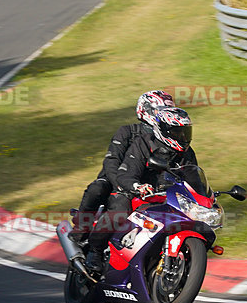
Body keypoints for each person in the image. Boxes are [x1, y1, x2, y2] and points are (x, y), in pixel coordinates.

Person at [85, 106, 198, 274]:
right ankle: (94, 252)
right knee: (119, 212)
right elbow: (126, 173)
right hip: (131, 191)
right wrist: (137, 186)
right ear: (164, 131)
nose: (183, 137)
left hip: (164, 198)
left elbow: (193, 179)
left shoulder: (188, 154)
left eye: (185, 132)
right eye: (177, 132)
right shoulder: (144, 143)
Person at [72, 90, 175, 243]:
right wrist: (122, 185)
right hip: (117, 182)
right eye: (162, 111)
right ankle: (83, 231)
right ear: (146, 111)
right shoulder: (126, 132)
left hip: (148, 187)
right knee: (100, 191)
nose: (167, 116)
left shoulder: (168, 140)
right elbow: (111, 161)